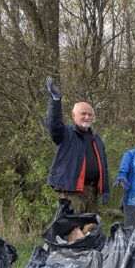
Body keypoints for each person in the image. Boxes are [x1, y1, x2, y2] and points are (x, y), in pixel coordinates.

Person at [44, 77, 109, 214]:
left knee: (91, 227)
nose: (87, 117)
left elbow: (103, 166)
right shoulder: (66, 133)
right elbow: (53, 125)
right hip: (72, 192)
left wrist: (105, 189)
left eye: (90, 114)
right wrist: (55, 100)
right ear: (73, 115)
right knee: (72, 226)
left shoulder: (96, 138)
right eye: (83, 114)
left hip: (93, 193)